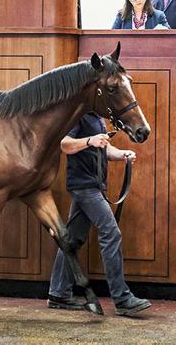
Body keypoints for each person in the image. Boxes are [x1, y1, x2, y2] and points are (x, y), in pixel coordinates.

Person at [48, 112, 152, 318]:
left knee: (72, 239)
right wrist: (89, 140)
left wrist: (121, 153)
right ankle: (122, 298)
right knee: (110, 233)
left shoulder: (97, 118)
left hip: (92, 185)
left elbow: (104, 147)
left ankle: (58, 293)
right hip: (84, 187)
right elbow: (65, 144)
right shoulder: (79, 115)